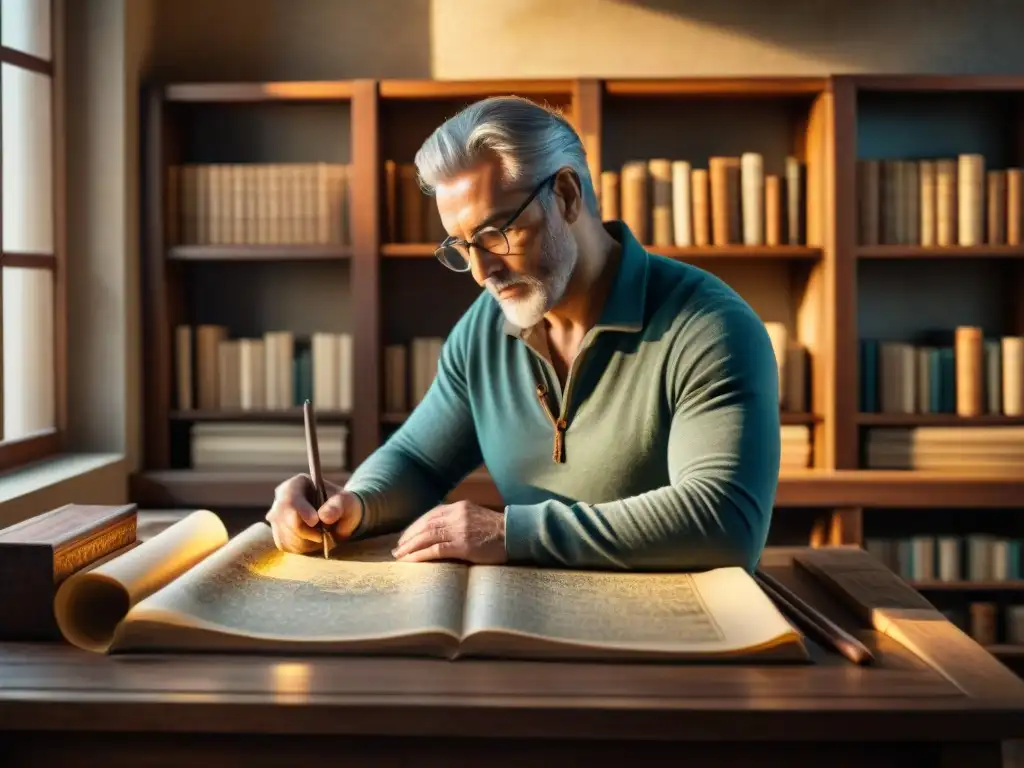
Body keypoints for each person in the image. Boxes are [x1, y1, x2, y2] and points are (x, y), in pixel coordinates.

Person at [266, 95, 781, 572]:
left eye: (495, 234)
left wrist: (512, 533)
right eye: (462, 246)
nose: (480, 270)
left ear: (565, 194)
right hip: (530, 630)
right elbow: (418, 461)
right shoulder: (484, 329)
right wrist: (352, 506)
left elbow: (725, 521)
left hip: (673, 646)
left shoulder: (710, 327)